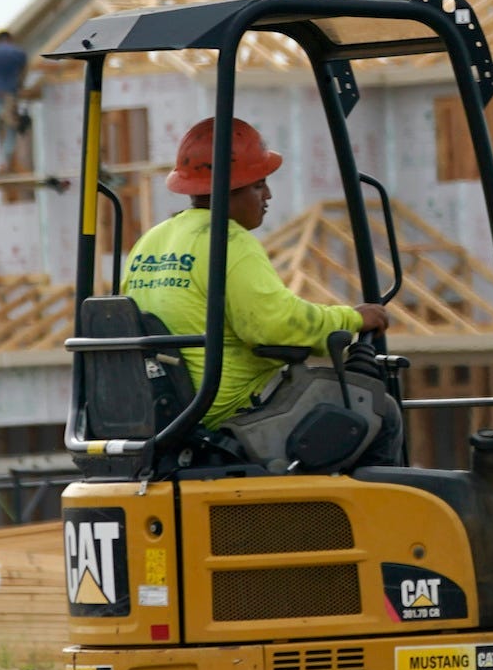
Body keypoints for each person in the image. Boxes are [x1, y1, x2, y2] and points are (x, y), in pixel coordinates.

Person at [123, 116, 402, 463]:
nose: (268, 195)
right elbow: (277, 326)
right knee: (377, 409)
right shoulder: (229, 242)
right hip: (226, 411)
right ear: (228, 189)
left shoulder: (150, 241)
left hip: (165, 410)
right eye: (259, 185)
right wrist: (352, 319)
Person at [0, 29, 30, 170]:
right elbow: (23, 72)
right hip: (8, 98)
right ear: (9, 39)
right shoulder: (18, 53)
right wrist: (20, 85)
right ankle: (6, 162)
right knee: (10, 129)